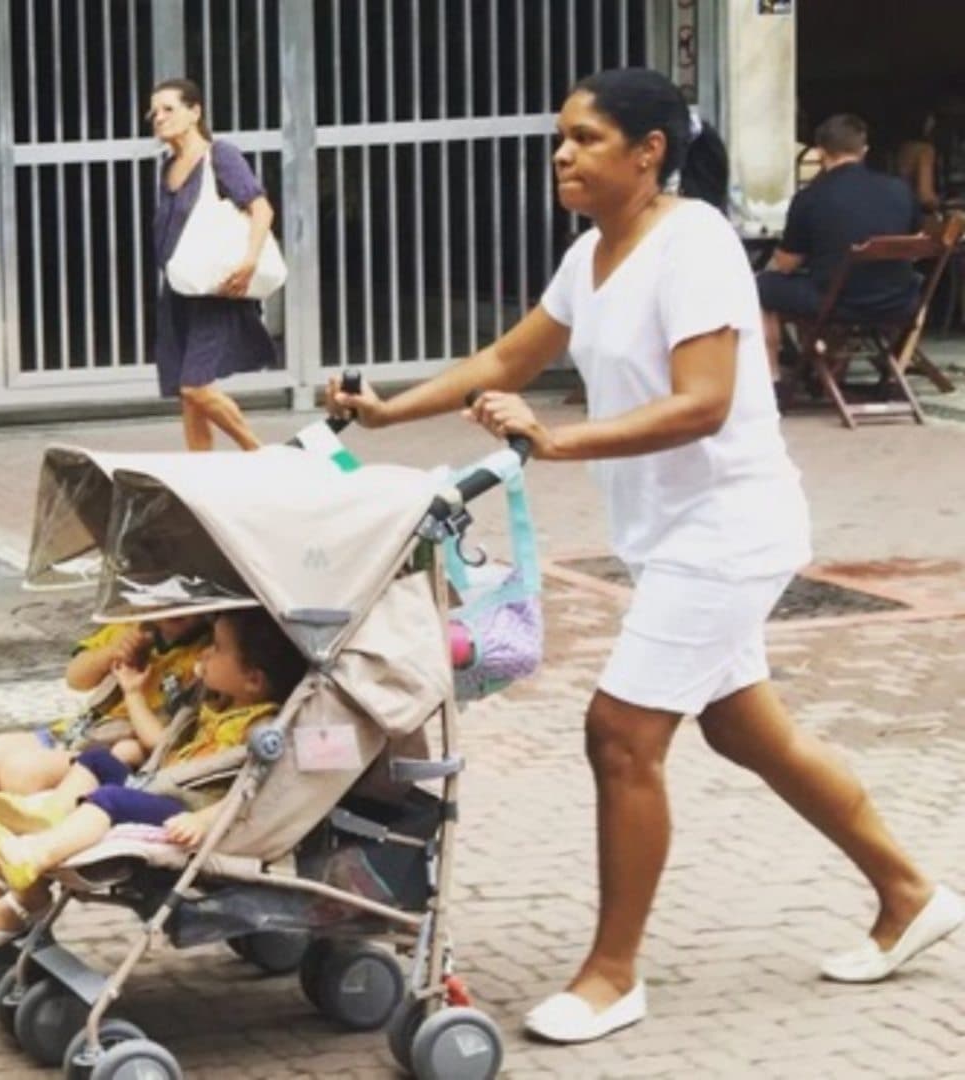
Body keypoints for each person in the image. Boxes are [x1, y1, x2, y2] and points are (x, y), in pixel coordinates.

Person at [325, 67, 959, 1045]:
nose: (562, 155)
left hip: (730, 527)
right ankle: (912, 894)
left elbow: (704, 399)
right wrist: (385, 411)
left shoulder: (693, 243)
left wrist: (557, 442)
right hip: (672, 540)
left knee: (621, 733)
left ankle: (613, 974)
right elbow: (506, 361)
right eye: (561, 139)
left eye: (584, 138)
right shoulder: (590, 258)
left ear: (647, 151)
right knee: (750, 733)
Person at [0, 608, 304, 945]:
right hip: (164, 783)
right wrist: (134, 691)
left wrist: (203, 819)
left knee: (112, 799)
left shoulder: (260, 726)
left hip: (189, 807)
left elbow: (255, 792)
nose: (206, 653)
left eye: (216, 649)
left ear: (253, 679)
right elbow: (159, 745)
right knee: (97, 759)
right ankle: (49, 816)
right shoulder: (216, 703)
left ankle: (38, 854)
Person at [0, 615, 208, 927]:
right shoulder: (134, 625)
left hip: (119, 747)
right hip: (77, 733)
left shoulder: (206, 654)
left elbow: (169, 741)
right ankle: (2, 869)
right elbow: (76, 677)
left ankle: (28, 891)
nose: (169, 613)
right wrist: (113, 651)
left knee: (22, 772)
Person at [150, 78, 276, 452]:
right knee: (188, 397)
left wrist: (250, 261)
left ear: (195, 112)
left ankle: (259, 453)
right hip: (181, 290)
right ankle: (201, 473)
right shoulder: (168, 167)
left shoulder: (220, 156)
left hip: (217, 291)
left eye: (169, 109)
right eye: (153, 112)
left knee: (196, 386)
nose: (158, 118)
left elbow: (261, 207)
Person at [756, 113, 923, 380]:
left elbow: (787, 263)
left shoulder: (810, 197)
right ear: (864, 150)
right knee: (825, 282)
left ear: (820, 153)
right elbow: (915, 246)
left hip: (837, 304)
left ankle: (771, 376)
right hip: (900, 301)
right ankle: (889, 372)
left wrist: (769, 268)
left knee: (762, 287)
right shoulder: (899, 190)